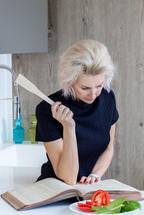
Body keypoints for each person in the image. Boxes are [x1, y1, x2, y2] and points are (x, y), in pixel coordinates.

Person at [35, 39, 119, 185]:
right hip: (56, 191)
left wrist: (94, 175)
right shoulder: (47, 109)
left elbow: (108, 149)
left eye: (98, 85)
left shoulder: (107, 97)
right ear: (69, 81)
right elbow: (68, 178)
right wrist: (69, 127)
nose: (93, 95)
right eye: (85, 88)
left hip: (88, 191)